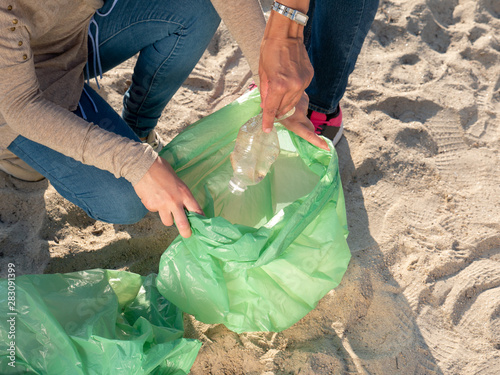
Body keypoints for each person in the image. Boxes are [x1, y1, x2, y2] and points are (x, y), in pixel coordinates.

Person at [0, 0, 376, 238]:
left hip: (70, 35)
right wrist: (135, 163)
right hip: (15, 96)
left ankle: (137, 127)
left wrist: (271, 82)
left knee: (197, 7)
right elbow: (20, 105)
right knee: (128, 201)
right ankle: (14, 160)